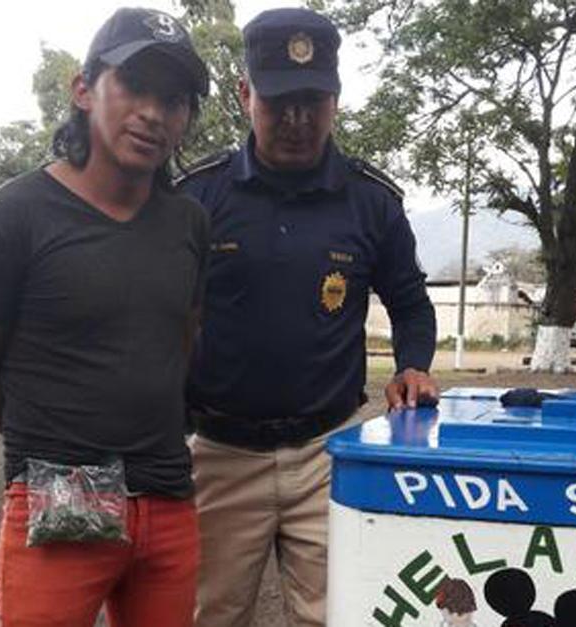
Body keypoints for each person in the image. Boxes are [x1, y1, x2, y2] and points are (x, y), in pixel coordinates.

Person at [0, 8, 209, 626]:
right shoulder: (8, 218)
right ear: (84, 88)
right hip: (60, 497)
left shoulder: (189, 224)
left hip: (170, 500)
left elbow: (181, 342)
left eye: (174, 99)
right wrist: (52, 446)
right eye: (135, 85)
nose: (153, 112)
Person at [176, 7, 439, 626]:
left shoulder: (372, 201)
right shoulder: (197, 196)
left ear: (336, 101)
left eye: (311, 103)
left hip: (328, 453)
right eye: (279, 103)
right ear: (246, 96)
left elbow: (409, 301)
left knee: (338, 616)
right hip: (217, 453)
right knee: (206, 617)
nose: (296, 121)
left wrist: (414, 365)